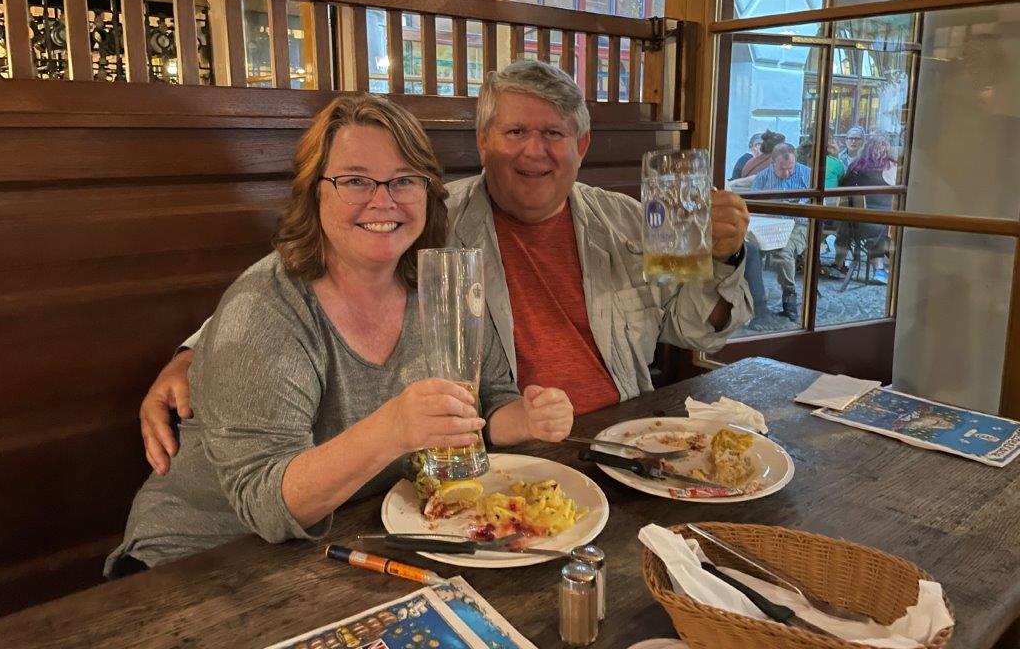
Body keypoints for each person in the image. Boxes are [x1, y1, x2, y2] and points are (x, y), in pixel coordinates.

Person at [140, 61, 753, 476]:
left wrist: (720, 258)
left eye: (554, 133)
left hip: (621, 446)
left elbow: (697, 330)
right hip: (495, 457)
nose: (534, 152)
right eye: (515, 130)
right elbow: (306, 269)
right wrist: (194, 354)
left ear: (581, 146)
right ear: (482, 139)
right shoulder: (423, 214)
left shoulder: (633, 220)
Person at [106, 94, 573, 575]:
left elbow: (486, 404)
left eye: (405, 180)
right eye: (354, 180)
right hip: (201, 564)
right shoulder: (265, 310)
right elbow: (267, 506)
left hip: (347, 545)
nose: (383, 199)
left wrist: (524, 418)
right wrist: (392, 429)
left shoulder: (436, 282)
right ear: (314, 191)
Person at [749, 144, 811, 320]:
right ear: (772, 162)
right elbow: (753, 205)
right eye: (781, 169)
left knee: (782, 255)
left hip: (797, 225)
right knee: (751, 252)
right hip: (767, 225)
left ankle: (789, 298)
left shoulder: (807, 174)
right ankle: (756, 301)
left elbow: (816, 203)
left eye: (790, 168)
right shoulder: (763, 177)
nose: (786, 173)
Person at [824, 138, 895, 285]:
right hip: (882, 225)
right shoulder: (892, 168)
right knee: (884, 227)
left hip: (854, 225)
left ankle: (838, 264)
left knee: (846, 222)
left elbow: (842, 191)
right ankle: (879, 269)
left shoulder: (855, 166)